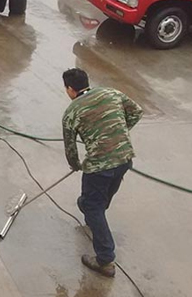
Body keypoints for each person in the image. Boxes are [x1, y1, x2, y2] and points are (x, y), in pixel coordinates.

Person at [62, 68, 143, 278]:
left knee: (93, 205)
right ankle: (92, 212)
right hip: (124, 159)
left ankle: (105, 259)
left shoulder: (72, 112)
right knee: (98, 200)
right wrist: (117, 134)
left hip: (99, 167)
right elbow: (136, 112)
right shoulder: (111, 93)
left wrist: (76, 164)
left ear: (70, 89)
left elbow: (70, 149)